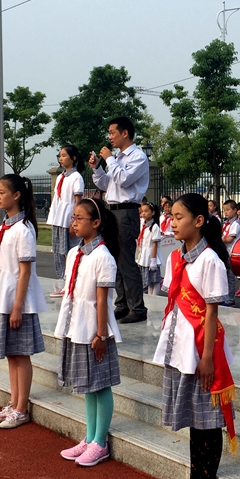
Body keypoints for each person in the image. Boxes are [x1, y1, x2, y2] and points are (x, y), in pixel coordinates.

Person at [154, 193, 236, 479]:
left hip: (202, 352)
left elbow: (212, 313)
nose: (172, 223)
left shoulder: (210, 260)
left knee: (208, 422)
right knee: (193, 419)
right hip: (180, 350)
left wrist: (207, 358)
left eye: (179, 217)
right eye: (171, 216)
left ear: (199, 221)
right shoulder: (176, 257)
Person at [57, 197, 122, 467]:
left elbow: (101, 300)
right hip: (77, 327)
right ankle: (90, 436)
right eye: (73, 218)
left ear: (96, 223)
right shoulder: (75, 253)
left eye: (79, 218)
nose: (74, 223)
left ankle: (100, 442)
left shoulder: (103, 256)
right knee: (88, 385)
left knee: (100, 384)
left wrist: (101, 335)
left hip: (94, 330)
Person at [0, 174, 47, 429]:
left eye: (1, 192)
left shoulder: (23, 229)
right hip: (2, 297)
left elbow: (25, 272)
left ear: (16, 195)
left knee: (21, 353)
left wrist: (17, 307)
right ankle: (14, 402)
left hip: (17, 300)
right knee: (11, 353)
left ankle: (22, 408)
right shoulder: (4, 226)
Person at [90, 116, 150, 324]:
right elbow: (106, 184)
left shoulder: (138, 157)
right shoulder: (117, 158)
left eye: (112, 132)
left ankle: (137, 307)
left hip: (126, 212)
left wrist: (109, 159)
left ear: (125, 133)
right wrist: (97, 168)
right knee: (114, 259)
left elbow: (124, 179)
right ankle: (122, 304)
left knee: (126, 260)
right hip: (112, 210)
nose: (110, 137)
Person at [47, 145, 85, 298]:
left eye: (64, 155)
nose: (61, 159)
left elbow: (78, 201)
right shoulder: (61, 177)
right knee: (58, 250)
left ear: (73, 158)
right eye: (60, 156)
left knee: (68, 252)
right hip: (58, 217)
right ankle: (63, 279)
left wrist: (74, 221)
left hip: (67, 217)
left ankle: (71, 281)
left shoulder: (76, 177)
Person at [137, 200, 162, 295]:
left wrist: (153, 260)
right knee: (147, 280)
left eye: (146, 211)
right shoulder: (143, 226)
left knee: (154, 280)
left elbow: (154, 244)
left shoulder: (154, 227)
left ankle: (155, 297)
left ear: (153, 212)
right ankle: (150, 297)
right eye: (142, 211)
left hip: (151, 255)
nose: (143, 213)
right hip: (144, 256)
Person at [221, 200, 240, 307]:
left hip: (232, 252)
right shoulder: (226, 224)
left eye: (228, 210)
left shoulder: (235, 224)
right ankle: (225, 297)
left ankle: (231, 299)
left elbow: (229, 239)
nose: (226, 212)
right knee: (224, 276)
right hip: (225, 252)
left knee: (230, 277)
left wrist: (218, 240)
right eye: (224, 210)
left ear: (235, 210)